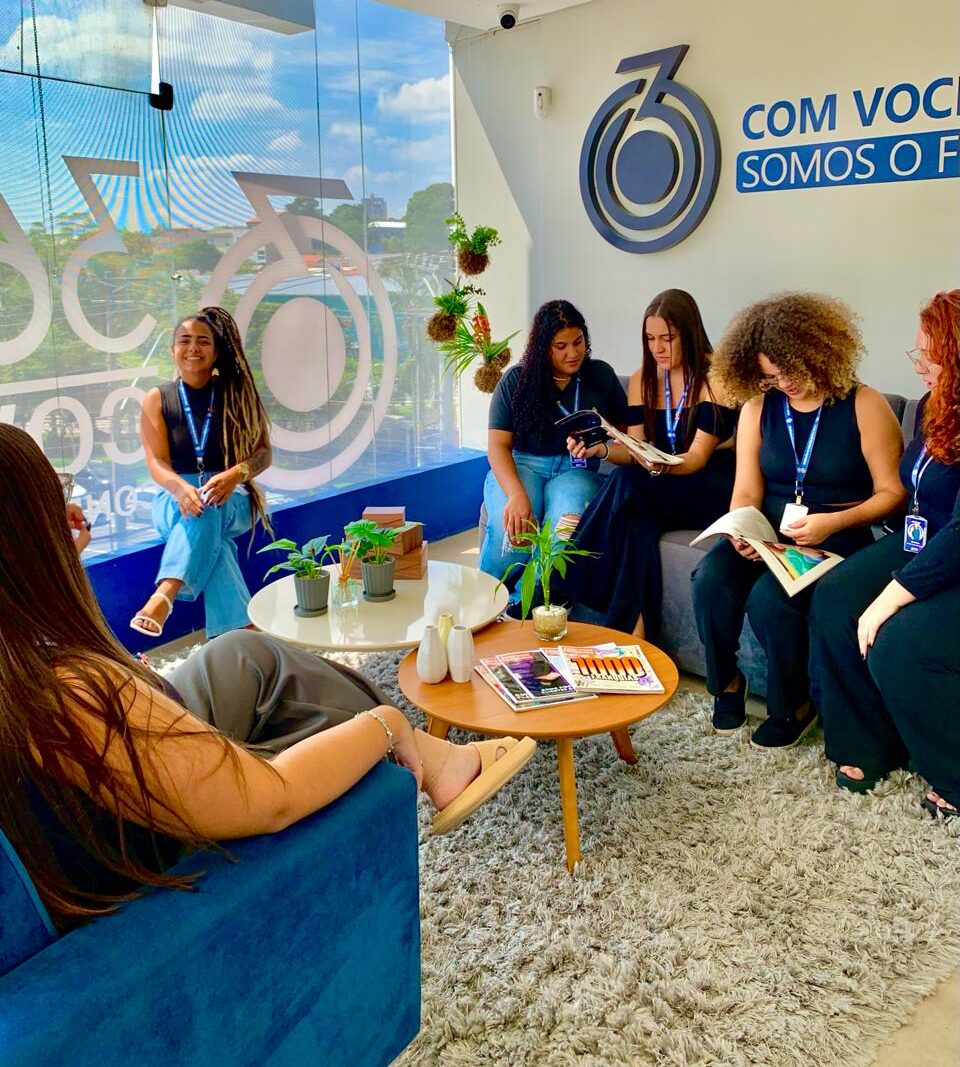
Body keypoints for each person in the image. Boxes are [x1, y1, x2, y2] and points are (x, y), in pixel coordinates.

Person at [0, 423, 536, 931]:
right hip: (152, 830)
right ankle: (432, 757)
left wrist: (61, 560)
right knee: (315, 706)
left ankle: (434, 756)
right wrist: (387, 724)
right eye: (56, 495)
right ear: (27, 539)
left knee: (243, 653)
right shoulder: (76, 696)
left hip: (120, 765)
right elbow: (273, 799)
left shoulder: (20, 658)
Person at [690, 292, 906, 748]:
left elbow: (892, 494)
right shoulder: (758, 409)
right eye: (770, 376)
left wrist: (832, 523)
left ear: (818, 353)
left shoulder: (864, 404)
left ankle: (794, 707)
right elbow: (746, 492)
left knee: (770, 600)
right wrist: (741, 530)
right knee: (709, 579)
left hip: (836, 536)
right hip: (769, 535)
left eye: (790, 371)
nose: (783, 383)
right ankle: (726, 684)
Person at [809, 290, 960, 818]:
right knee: (834, 596)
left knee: (898, 641)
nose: (919, 367)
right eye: (918, 354)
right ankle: (869, 744)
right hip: (923, 539)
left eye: (931, 357)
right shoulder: (935, 404)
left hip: (953, 551)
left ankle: (953, 774)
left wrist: (893, 595)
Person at [560, 289, 737, 637]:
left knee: (628, 483)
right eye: (651, 339)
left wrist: (658, 466)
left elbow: (697, 459)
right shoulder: (644, 379)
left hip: (710, 485)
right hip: (659, 486)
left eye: (667, 338)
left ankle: (561, 581)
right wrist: (602, 451)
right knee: (636, 518)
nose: (658, 348)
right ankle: (633, 634)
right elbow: (635, 448)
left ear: (689, 333)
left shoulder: (715, 378)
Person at [130, 307, 271, 639]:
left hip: (232, 497)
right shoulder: (157, 398)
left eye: (203, 341)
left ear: (216, 351)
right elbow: (157, 463)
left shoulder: (236, 393)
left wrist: (235, 474)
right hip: (173, 498)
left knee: (208, 504)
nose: (193, 347)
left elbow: (265, 454)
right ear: (173, 350)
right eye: (185, 340)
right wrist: (181, 489)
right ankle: (241, 631)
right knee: (212, 533)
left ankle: (165, 593)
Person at [479, 299, 628, 587]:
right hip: (523, 465)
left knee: (562, 534)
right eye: (561, 346)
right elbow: (497, 445)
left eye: (578, 342)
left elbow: (625, 436)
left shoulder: (601, 376)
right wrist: (515, 494)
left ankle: (523, 604)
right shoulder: (516, 380)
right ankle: (484, 600)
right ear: (543, 347)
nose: (573, 353)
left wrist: (604, 447)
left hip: (577, 471)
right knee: (515, 531)